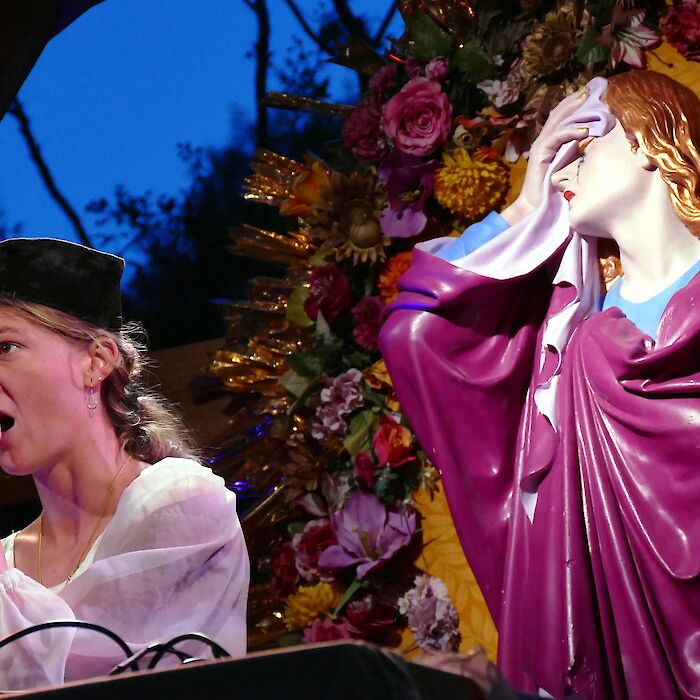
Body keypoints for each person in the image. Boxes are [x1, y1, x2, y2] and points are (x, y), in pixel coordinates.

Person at [380, 70, 700, 699]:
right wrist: (525, 209)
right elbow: (415, 332)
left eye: (583, 144)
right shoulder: (569, 346)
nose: (560, 169)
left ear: (647, 140)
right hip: (614, 654)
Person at [0, 238, 249, 690]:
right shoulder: (6, 564)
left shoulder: (181, 504)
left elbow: (98, 669)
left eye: (6, 347)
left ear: (96, 361)